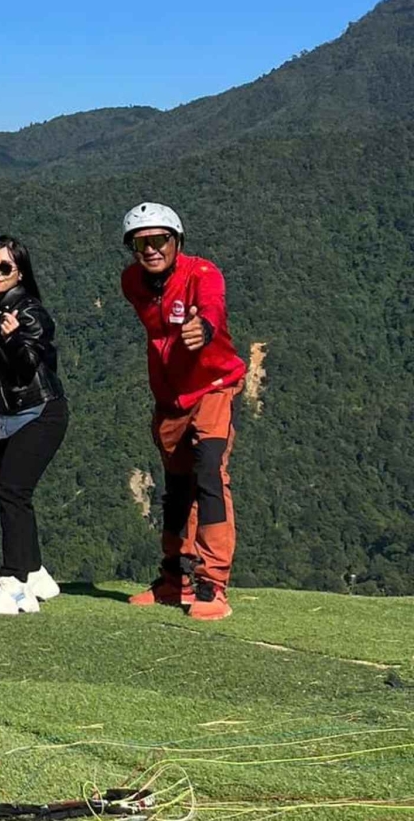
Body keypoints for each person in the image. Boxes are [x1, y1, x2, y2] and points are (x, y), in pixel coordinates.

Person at [120, 203, 246, 621]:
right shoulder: (132, 282)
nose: (151, 249)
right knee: (176, 487)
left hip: (213, 386)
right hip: (170, 399)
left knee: (210, 472)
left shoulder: (202, 273)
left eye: (160, 240)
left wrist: (205, 327)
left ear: (177, 242)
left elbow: (212, 306)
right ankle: (176, 580)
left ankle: (213, 585)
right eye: (142, 242)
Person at [0, 236, 68, 615]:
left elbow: (28, 364)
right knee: (13, 494)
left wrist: (13, 339)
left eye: (5, 267)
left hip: (39, 412)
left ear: (20, 273)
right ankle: (35, 573)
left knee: (13, 492)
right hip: (9, 416)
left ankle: (14, 584)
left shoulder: (28, 311)